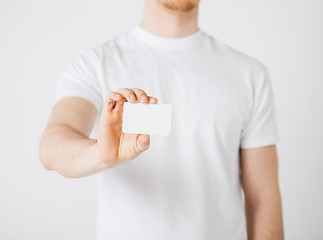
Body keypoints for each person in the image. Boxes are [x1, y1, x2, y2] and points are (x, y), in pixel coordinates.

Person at [39, 0, 284, 239]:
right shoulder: (93, 64)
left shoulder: (249, 74)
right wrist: (101, 153)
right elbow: (52, 147)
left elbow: (263, 199)